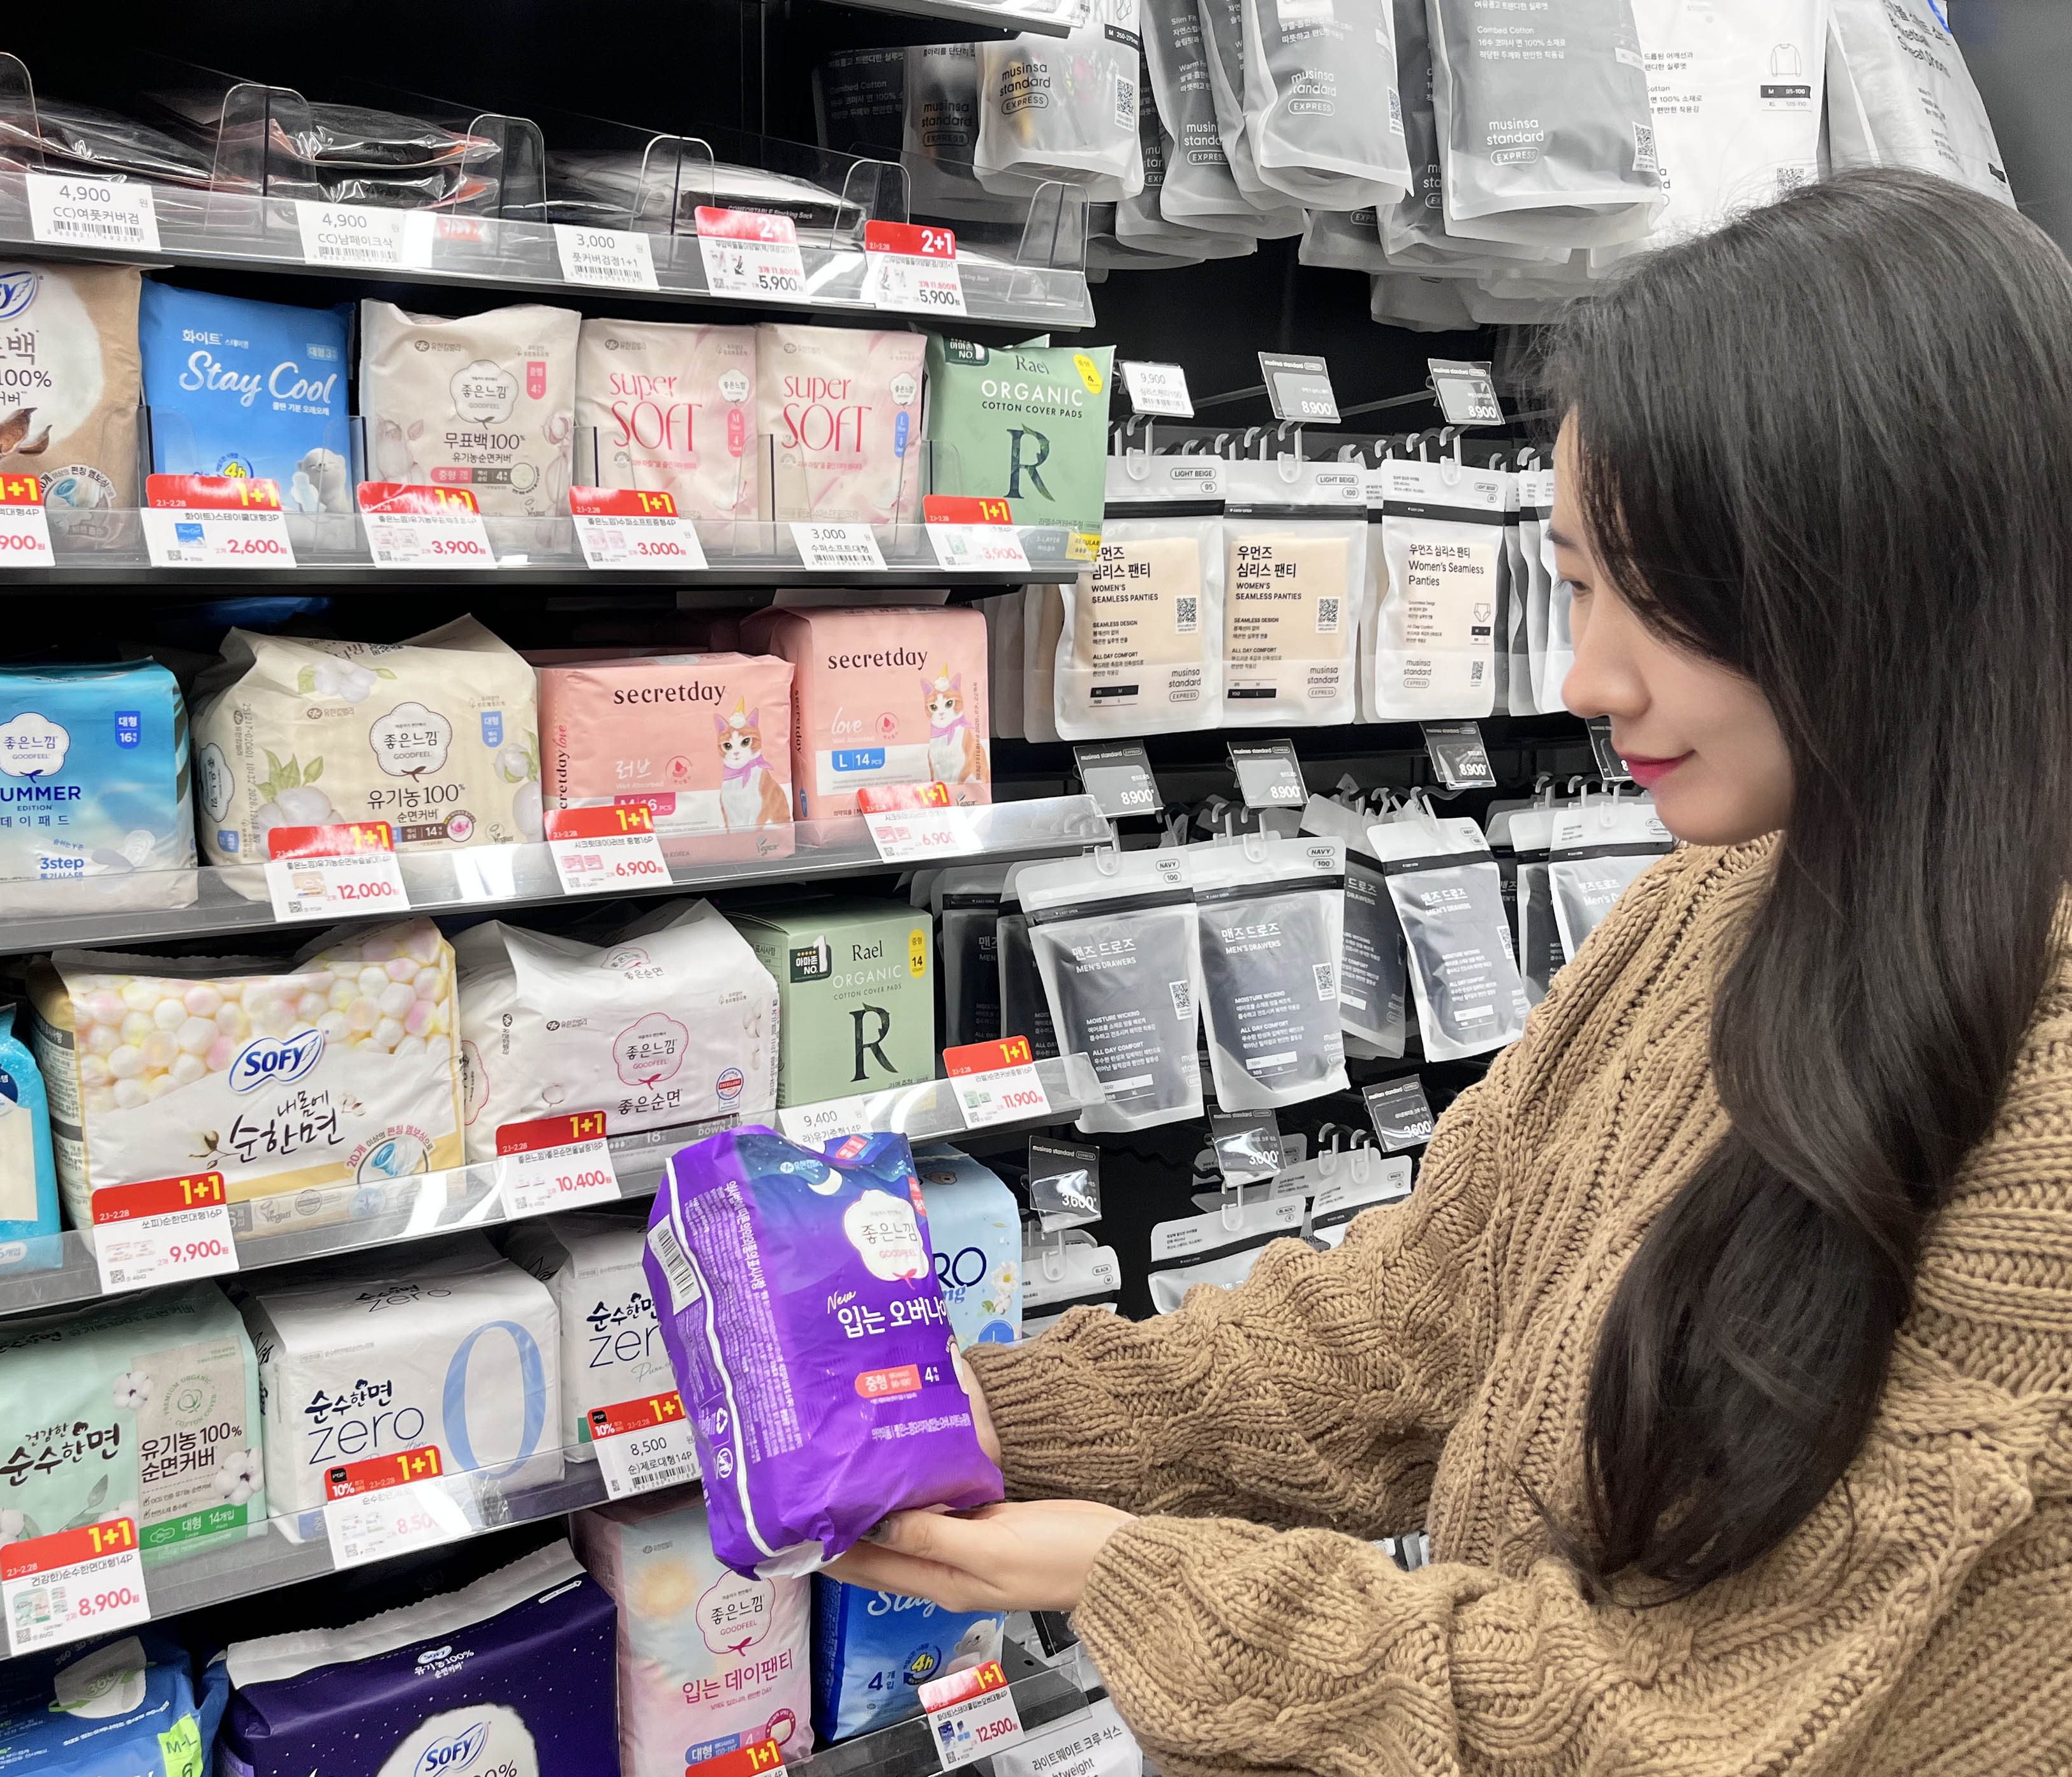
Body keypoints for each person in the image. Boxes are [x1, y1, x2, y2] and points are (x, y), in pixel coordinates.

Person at [830, 168, 2072, 1772]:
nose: (1587, 676)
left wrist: (1127, 1575)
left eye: (1666, 601)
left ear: (1902, 582)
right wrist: (971, 1414)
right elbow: (1416, 1318)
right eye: (1577, 580)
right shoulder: (1721, 898)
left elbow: (1668, 1722)